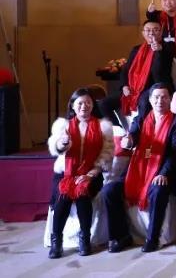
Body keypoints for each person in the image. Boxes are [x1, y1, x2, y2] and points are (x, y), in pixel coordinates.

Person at [103, 83, 176, 253]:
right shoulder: (141, 119)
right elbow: (133, 136)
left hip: (165, 171)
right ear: (150, 100)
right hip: (138, 170)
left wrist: (163, 173)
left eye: (164, 97)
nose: (160, 101)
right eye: (156, 97)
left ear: (170, 99)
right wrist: (129, 142)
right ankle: (121, 236)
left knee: (158, 189)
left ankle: (152, 238)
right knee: (109, 190)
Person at [47, 88, 114, 258]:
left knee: (82, 194)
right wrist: (62, 143)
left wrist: (90, 174)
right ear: (72, 105)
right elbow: (55, 148)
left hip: (91, 173)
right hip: (65, 173)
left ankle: (84, 238)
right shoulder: (63, 126)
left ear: (93, 105)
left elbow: (107, 155)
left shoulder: (103, 127)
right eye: (80, 103)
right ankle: (56, 241)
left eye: (88, 103)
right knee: (63, 196)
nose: (84, 106)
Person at [114, 20, 175, 120]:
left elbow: (159, 72)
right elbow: (125, 70)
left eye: (155, 30)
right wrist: (124, 86)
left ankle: (142, 127)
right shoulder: (136, 49)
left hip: (155, 86)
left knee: (144, 102)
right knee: (104, 104)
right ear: (143, 33)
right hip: (134, 87)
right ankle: (122, 127)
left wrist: (159, 51)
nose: (151, 33)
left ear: (161, 32)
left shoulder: (168, 47)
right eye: (148, 30)